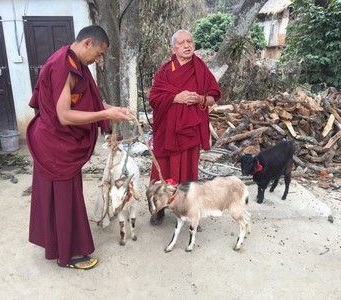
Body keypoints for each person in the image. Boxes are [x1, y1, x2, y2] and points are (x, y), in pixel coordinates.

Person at [26, 25, 133, 270]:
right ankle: (69, 255)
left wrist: (114, 109)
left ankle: (57, 246)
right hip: (55, 145)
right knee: (64, 200)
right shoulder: (64, 66)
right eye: (98, 53)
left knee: (60, 198)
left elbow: (89, 102)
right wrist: (105, 113)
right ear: (86, 43)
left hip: (57, 143)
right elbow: (64, 115)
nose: (98, 59)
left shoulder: (75, 64)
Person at [148, 29, 221, 225]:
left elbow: (213, 98)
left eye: (190, 42)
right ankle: (159, 207)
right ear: (173, 48)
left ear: (194, 45)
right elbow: (153, 99)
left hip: (190, 130)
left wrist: (200, 98)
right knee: (162, 169)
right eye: (181, 43)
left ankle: (188, 208)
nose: (187, 45)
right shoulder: (164, 71)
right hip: (167, 131)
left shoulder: (201, 69)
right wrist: (175, 98)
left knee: (188, 171)